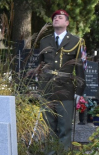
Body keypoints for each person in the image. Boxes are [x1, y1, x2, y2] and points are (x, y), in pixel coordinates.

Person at [36, 9, 85, 146]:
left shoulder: (77, 41)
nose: (56, 19)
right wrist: (39, 87)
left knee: (65, 128)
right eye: (55, 17)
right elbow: (40, 64)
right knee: (48, 127)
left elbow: (81, 69)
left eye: (60, 17)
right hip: (47, 89)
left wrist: (79, 92)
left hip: (66, 89)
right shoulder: (45, 41)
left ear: (67, 22)